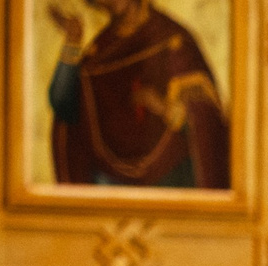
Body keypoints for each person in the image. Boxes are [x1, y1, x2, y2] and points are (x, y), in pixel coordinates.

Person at [46, 0, 231, 190]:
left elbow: (207, 120)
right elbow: (63, 106)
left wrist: (163, 107)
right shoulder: (100, 53)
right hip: (111, 185)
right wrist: (72, 40)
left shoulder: (171, 40)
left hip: (173, 179)